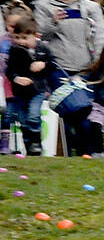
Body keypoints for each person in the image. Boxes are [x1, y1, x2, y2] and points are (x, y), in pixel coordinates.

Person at [4, 14, 64, 154]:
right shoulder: (14, 50)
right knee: (22, 120)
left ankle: (36, 142)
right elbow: (10, 70)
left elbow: (53, 65)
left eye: (25, 38)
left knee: (33, 115)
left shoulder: (42, 48)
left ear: (35, 36)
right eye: (17, 37)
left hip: (37, 90)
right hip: (19, 92)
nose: (20, 41)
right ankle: (28, 146)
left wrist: (43, 64)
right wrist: (16, 78)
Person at [33, 0, 104, 74]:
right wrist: (52, 22)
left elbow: (101, 36)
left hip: (86, 68)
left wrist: (98, 63)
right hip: (54, 66)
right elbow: (36, 35)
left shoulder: (91, 7)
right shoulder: (42, 5)